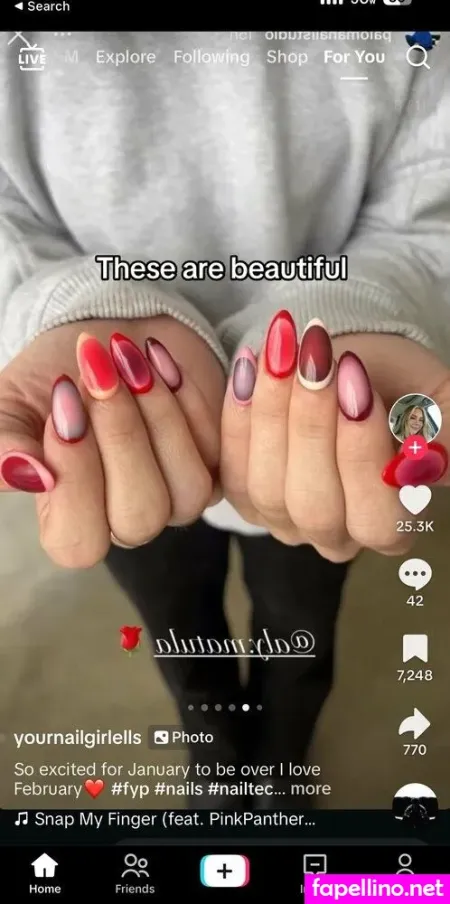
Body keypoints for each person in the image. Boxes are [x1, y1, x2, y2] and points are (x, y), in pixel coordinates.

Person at [1, 32, 450, 808]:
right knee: (180, 631)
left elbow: (427, 202)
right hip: (115, 445)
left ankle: (280, 768)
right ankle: (215, 753)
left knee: (300, 632)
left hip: (322, 444)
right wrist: (68, 312)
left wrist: (364, 309)